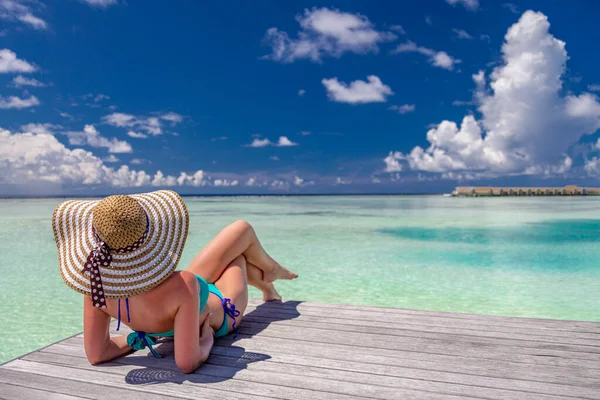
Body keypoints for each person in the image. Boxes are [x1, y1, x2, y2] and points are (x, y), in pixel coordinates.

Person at [52, 190, 297, 374]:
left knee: (240, 234)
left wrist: (136, 338)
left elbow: (97, 353)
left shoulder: (95, 286)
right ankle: (269, 275)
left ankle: (268, 282)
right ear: (148, 234)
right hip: (222, 310)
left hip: (180, 302)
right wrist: (207, 338)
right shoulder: (184, 283)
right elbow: (187, 362)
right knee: (240, 248)